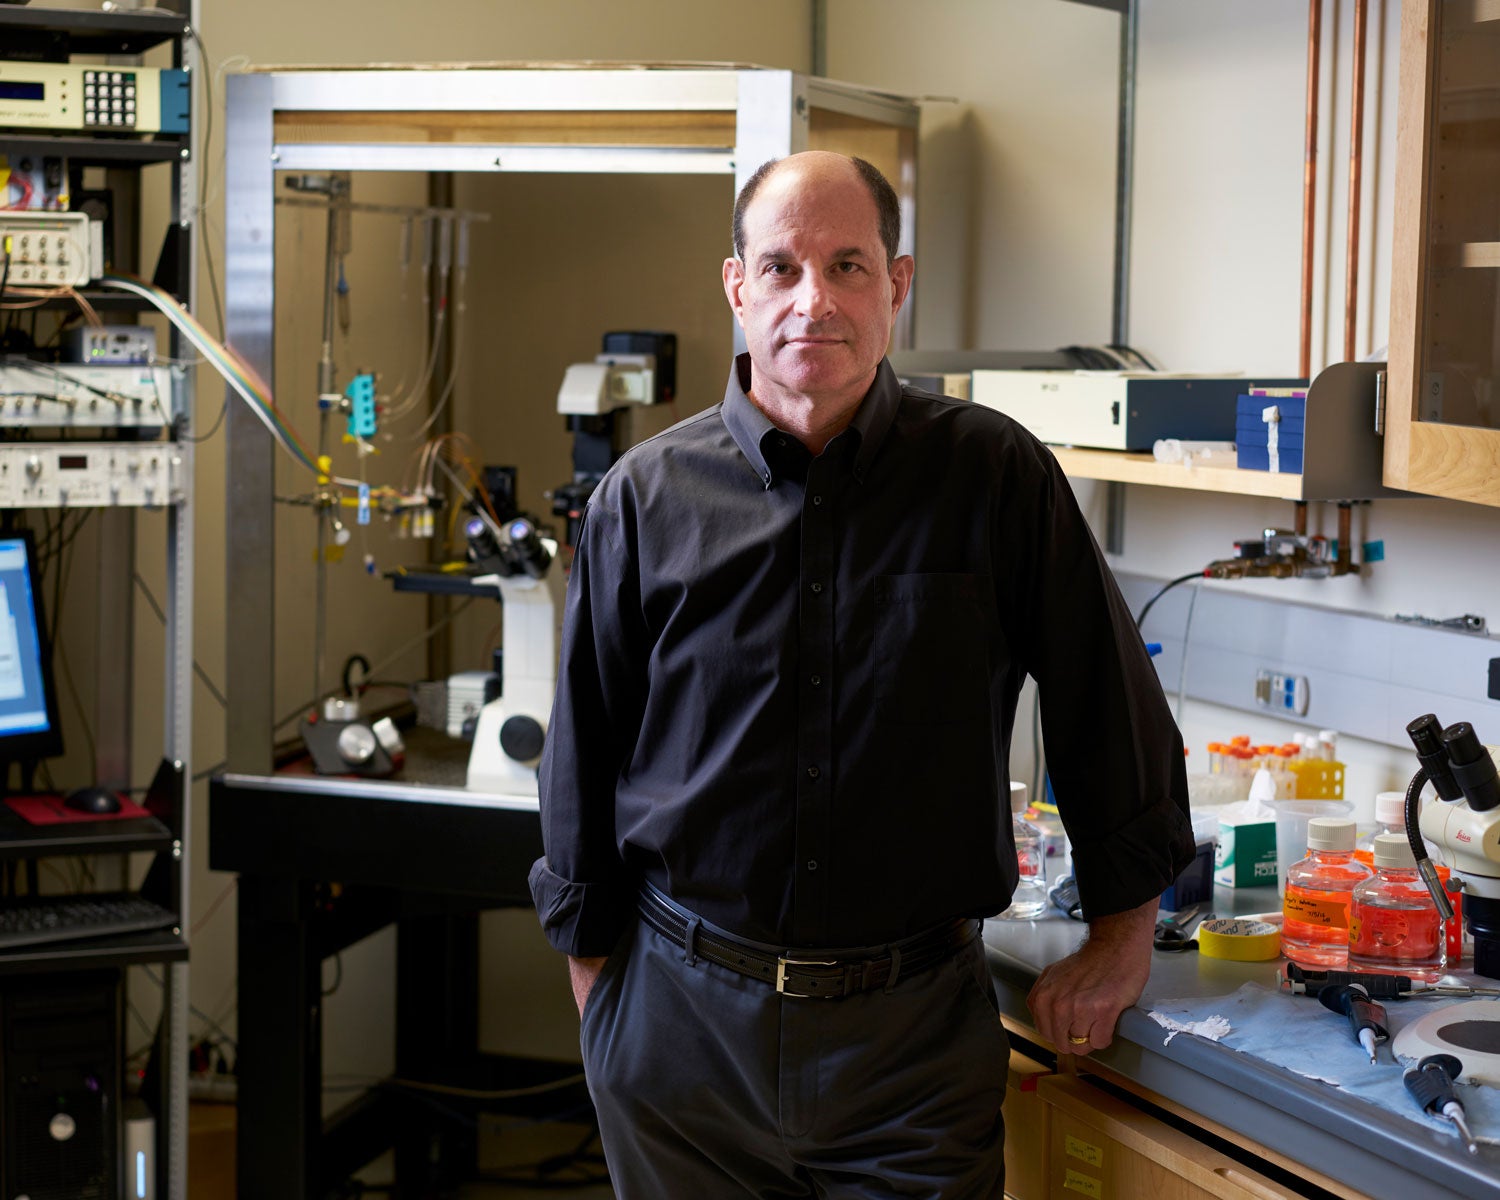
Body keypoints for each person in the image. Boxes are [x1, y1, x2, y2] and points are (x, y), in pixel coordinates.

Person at [530, 150, 1193, 1198]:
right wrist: (605, 998)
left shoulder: (995, 477)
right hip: (681, 1035)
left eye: (848, 266)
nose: (814, 301)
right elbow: (583, 759)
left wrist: (1122, 937)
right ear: (736, 285)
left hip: (914, 1047)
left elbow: (1106, 705)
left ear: (899, 283)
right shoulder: (643, 500)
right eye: (782, 267)